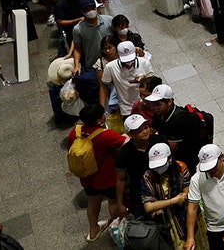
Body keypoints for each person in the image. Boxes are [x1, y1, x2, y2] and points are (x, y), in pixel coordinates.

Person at [67, 103, 125, 243]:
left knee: (93, 201)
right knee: (113, 202)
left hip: (87, 178)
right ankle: (117, 231)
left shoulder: (76, 131)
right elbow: (125, 142)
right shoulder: (106, 135)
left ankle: (93, 231)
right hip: (107, 178)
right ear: (100, 120)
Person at [142, 142, 206, 248]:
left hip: (188, 215)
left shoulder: (180, 167)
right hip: (168, 223)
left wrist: (159, 204)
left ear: (170, 158)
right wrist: (173, 200)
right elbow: (148, 207)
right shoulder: (148, 177)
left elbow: (187, 195)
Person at [186, 144, 224, 250]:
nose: (212, 171)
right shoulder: (197, 179)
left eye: (214, 166)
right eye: (208, 168)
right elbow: (192, 208)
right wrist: (190, 237)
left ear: (221, 157)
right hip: (216, 229)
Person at [116, 114, 168, 218]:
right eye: (139, 130)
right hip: (140, 195)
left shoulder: (160, 141)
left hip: (164, 189)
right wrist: (120, 203)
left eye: (146, 127)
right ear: (130, 134)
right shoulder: (124, 153)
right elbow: (121, 179)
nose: (144, 131)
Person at [146, 84, 203, 173]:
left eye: (158, 105)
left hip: (186, 157)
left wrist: (152, 140)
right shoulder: (159, 113)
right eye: (152, 104)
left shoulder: (179, 119)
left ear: (169, 102)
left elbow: (172, 146)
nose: (153, 108)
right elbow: (152, 130)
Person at [100, 40, 155, 117]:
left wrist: (144, 78)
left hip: (147, 106)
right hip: (127, 109)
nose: (128, 63)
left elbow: (154, 84)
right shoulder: (110, 67)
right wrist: (102, 109)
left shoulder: (144, 63)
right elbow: (104, 87)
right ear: (118, 55)